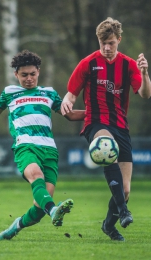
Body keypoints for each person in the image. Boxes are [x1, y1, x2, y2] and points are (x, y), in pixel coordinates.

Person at [0, 49, 85, 240]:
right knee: (36, 176)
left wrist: (96, 114)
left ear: (38, 71)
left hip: (49, 150)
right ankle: (54, 210)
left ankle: (17, 226)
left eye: (32, 74)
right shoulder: (10, 92)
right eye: (24, 75)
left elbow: (69, 114)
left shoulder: (50, 93)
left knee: (39, 210)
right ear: (16, 75)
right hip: (25, 146)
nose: (29, 78)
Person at [61, 17, 151, 241]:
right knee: (105, 146)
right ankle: (124, 212)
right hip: (96, 124)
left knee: (126, 189)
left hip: (121, 126)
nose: (106, 48)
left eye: (111, 42)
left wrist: (145, 74)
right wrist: (67, 101)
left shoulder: (129, 64)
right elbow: (71, 93)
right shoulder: (88, 63)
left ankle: (109, 226)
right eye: (103, 43)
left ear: (119, 40)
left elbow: (145, 94)